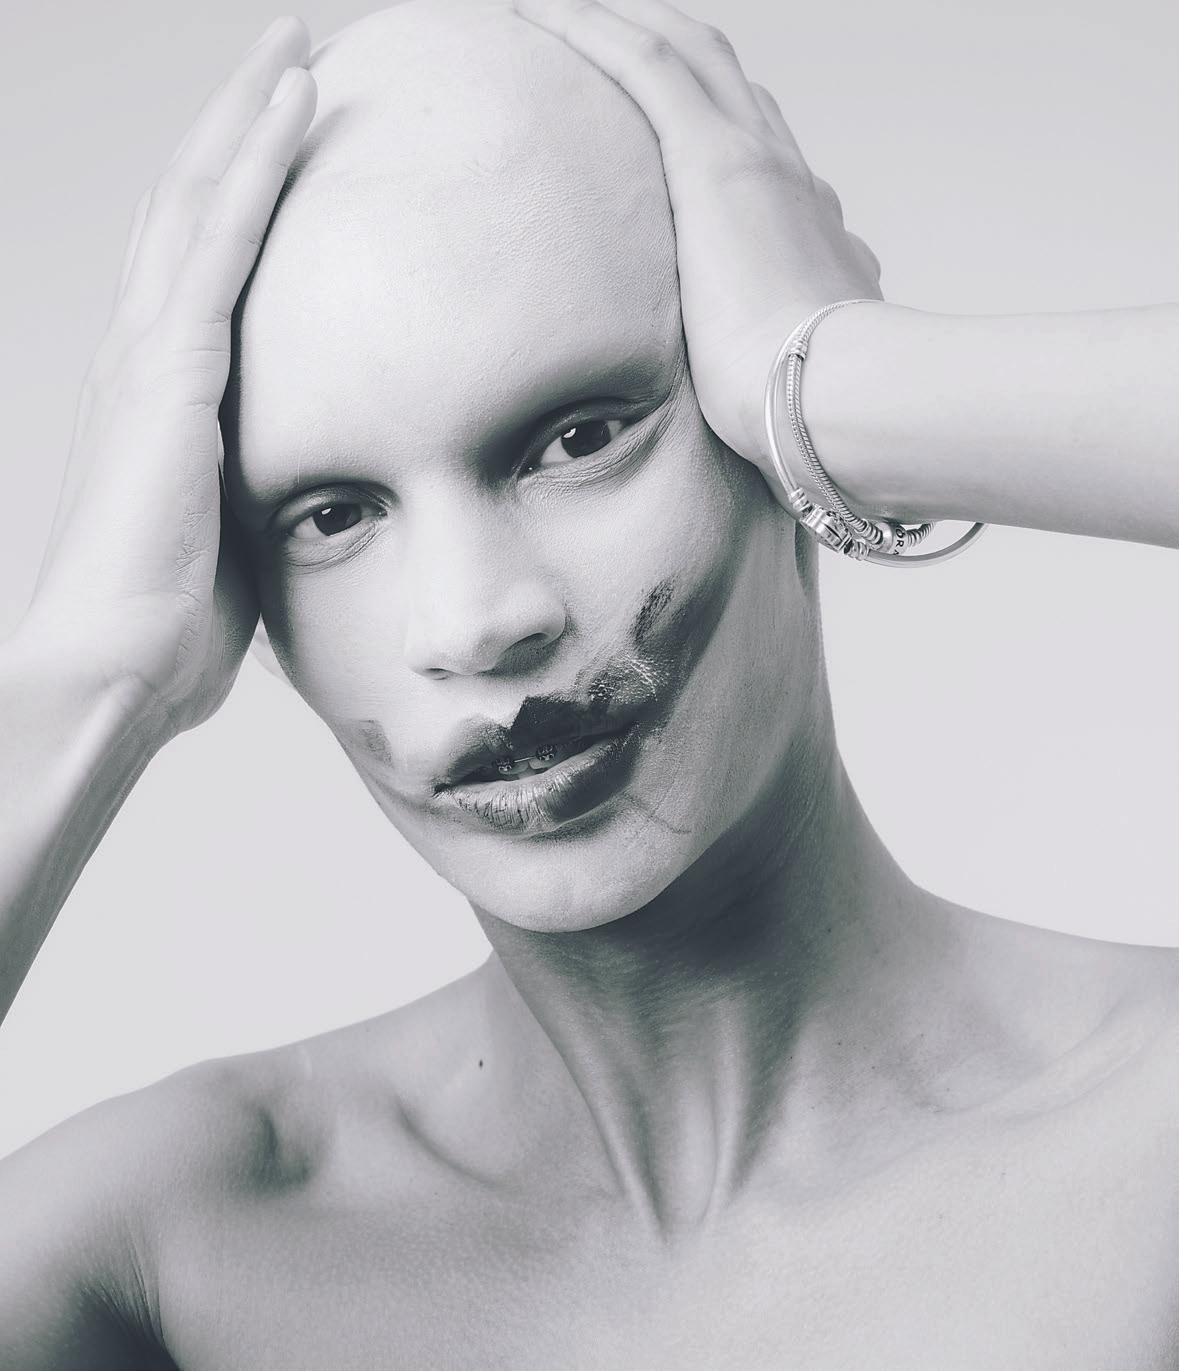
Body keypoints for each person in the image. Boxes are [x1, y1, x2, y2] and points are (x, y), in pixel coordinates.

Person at [1, 0, 1177, 1364]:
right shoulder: (168, 1248)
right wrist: (93, 670)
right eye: (331, 516)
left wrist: (846, 382)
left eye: (579, 437)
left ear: (761, 434)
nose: (473, 621)